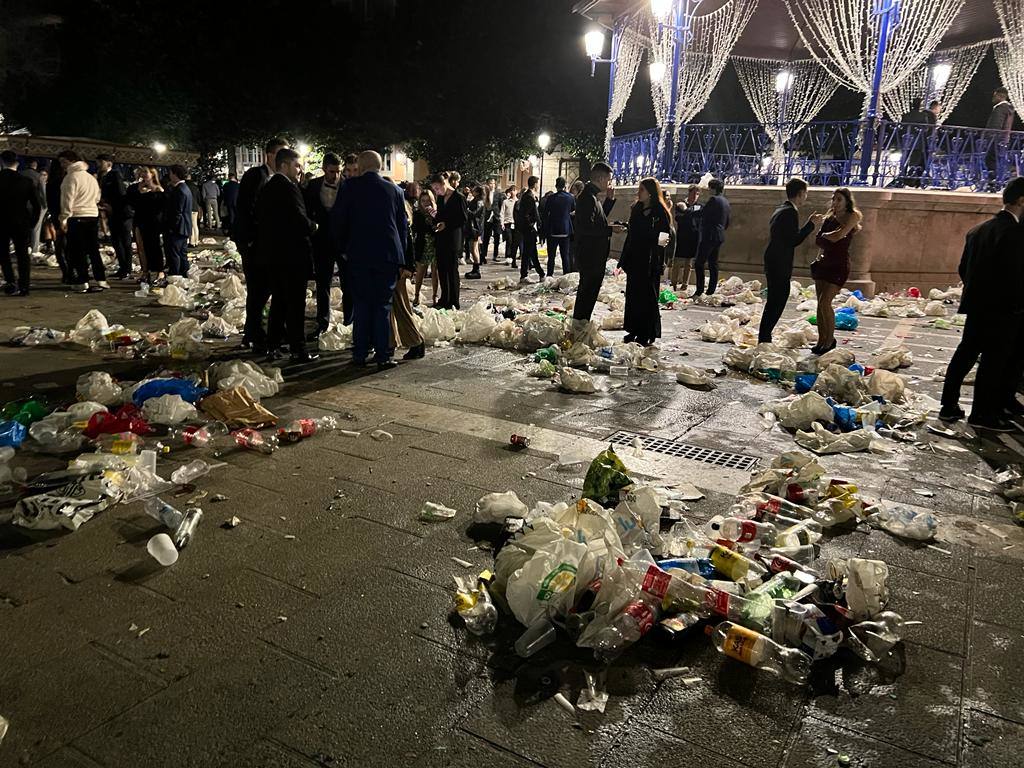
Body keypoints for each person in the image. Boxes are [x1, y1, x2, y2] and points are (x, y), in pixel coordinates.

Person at [940, 176, 1024, 430]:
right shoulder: (1014, 234)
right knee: (993, 361)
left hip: (977, 304)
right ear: (1021, 201)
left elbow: (964, 268)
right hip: (1003, 309)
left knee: (965, 353)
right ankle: (983, 414)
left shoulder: (979, 230)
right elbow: (1016, 275)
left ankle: (948, 405)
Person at [331, 150, 408, 369]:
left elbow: (338, 221)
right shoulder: (394, 190)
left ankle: (360, 353)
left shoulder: (349, 188)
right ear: (379, 166)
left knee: (362, 304)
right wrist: (401, 258)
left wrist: (343, 250)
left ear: (361, 167)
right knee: (383, 305)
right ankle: (383, 354)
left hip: (359, 255)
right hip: (387, 255)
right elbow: (402, 227)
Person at [257, 147, 318, 363]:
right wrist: (314, 227)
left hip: (273, 255)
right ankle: (298, 349)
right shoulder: (288, 188)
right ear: (284, 165)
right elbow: (299, 220)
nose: (300, 169)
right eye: (297, 165)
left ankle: (272, 346)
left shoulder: (267, 187)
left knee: (279, 302)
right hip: (292, 255)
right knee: (295, 304)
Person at [235, 138, 287, 353]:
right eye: (279, 154)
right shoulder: (257, 175)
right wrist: (249, 240)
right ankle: (255, 334)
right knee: (259, 289)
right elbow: (248, 208)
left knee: (264, 290)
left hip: (266, 244)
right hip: (255, 244)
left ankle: (254, 331)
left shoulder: (277, 178)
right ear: (269, 155)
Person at [757, 178, 824, 344]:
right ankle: (765, 336)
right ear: (800, 193)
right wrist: (811, 225)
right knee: (777, 300)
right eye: (805, 193)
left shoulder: (782, 209)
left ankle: (765, 335)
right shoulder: (789, 212)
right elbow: (793, 240)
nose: (806, 197)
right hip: (779, 261)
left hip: (774, 259)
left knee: (775, 299)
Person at [619, 177, 672, 346]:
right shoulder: (637, 209)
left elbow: (664, 238)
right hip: (635, 259)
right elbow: (631, 235)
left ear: (650, 192)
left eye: (641, 190)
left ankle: (646, 331)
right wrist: (624, 259)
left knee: (648, 297)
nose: (638, 193)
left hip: (650, 260)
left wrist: (660, 257)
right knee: (633, 296)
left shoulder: (660, 212)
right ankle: (633, 329)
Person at [810, 188, 863, 354]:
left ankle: (830, 340)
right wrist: (825, 237)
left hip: (838, 265)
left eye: (839, 199)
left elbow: (839, 235)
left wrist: (825, 236)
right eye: (834, 199)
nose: (835, 203)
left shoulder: (853, 215)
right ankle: (821, 340)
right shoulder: (829, 216)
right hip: (824, 263)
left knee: (826, 302)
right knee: (820, 304)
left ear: (847, 201)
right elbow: (818, 239)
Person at [571, 162, 623, 328]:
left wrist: (609, 200)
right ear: (600, 178)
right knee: (587, 292)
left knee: (590, 291)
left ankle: (581, 323)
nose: (609, 183)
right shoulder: (587, 197)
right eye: (608, 180)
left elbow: (597, 220)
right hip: (590, 255)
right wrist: (610, 230)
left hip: (593, 254)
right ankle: (579, 325)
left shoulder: (592, 196)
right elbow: (587, 228)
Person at [304, 152, 344, 336]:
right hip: (321, 242)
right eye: (331, 171)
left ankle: (350, 320)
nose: (335, 176)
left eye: (338, 171)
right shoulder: (312, 186)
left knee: (348, 284)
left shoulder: (348, 186)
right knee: (322, 284)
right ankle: (323, 322)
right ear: (323, 169)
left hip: (343, 242)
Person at [58, 149, 107, 293]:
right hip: (92, 215)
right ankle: (101, 279)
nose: (62, 165)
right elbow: (97, 197)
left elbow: (67, 200)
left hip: (77, 216)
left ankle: (83, 281)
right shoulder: (91, 177)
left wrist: (63, 218)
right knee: (93, 249)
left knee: (77, 250)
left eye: (63, 162)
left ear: (72, 161)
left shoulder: (70, 177)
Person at [0, 150, 41, 295]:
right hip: (21, 221)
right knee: (23, 255)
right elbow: (37, 205)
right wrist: (32, 222)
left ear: (2, 162)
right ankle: (24, 285)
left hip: (1, 222)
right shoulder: (26, 181)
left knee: (3, 254)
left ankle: (10, 281)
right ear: (17, 163)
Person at [393, 190, 425, 360]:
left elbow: (407, 242)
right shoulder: (398, 212)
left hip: (398, 267)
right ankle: (393, 343)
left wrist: (408, 266)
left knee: (401, 306)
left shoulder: (399, 214)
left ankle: (416, 342)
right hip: (397, 265)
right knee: (396, 306)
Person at [430, 171, 467, 310]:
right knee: (442, 269)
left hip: (453, 237)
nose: (437, 191)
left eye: (438, 188)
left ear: (444, 183)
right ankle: (444, 298)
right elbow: (440, 215)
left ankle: (454, 300)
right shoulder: (440, 198)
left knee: (452, 270)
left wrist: (447, 223)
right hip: (441, 237)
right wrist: (436, 218)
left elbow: (463, 218)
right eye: (434, 189)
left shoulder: (458, 197)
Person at [96, 153, 135, 279]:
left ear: (108, 163)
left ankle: (127, 269)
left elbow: (121, 194)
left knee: (125, 242)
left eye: (100, 162)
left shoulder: (115, 175)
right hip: (112, 213)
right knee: (116, 241)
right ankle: (122, 267)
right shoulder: (103, 176)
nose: (98, 165)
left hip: (122, 214)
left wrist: (111, 205)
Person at [693, 178, 730, 297]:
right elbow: (727, 221)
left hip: (709, 235)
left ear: (713, 189)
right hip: (719, 235)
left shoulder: (714, 199)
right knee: (713, 263)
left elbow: (703, 213)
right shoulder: (725, 201)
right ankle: (711, 289)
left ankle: (699, 290)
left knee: (699, 262)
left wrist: (687, 212)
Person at [131, 167, 165, 284]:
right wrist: (139, 191)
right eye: (142, 172)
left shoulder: (158, 190)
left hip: (152, 222)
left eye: (146, 172)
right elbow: (133, 204)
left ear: (153, 174)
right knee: (141, 248)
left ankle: (160, 272)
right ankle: (145, 271)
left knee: (154, 247)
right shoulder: (139, 189)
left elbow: (159, 207)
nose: (143, 175)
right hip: (139, 221)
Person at [162, 164, 193, 277]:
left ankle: (175, 275)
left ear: (175, 174)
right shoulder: (185, 188)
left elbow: (177, 212)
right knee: (182, 253)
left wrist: (171, 227)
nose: (169, 175)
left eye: (171, 173)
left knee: (174, 253)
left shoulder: (179, 190)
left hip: (178, 227)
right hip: (185, 227)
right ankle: (184, 274)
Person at [670, 185, 702, 292]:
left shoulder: (699, 206)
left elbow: (698, 218)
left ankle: (685, 284)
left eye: (697, 194)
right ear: (688, 193)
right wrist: (689, 212)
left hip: (694, 236)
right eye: (693, 193)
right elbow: (679, 218)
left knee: (689, 262)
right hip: (682, 235)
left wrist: (687, 211)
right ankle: (674, 283)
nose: (694, 196)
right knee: (677, 261)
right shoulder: (680, 204)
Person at [45, 157, 70, 282]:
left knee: (60, 245)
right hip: (70, 215)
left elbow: (50, 202)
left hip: (57, 215)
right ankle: (71, 271)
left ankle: (66, 272)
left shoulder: (52, 183)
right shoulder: (67, 180)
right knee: (70, 245)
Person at [545, 177, 576, 275]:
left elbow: (546, 213)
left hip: (553, 230)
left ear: (556, 185)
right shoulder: (570, 197)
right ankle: (566, 275)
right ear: (565, 186)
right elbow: (573, 210)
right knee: (565, 256)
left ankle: (549, 275)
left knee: (551, 256)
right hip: (565, 230)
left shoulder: (550, 198)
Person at [985, 88, 1015, 192]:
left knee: (990, 160)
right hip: (1004, 140)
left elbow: (996, 125)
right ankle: (996, 183)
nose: (993, 98)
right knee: (997, 161)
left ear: (999, 95)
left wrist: (988, 137)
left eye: (995, 95)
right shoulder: (1009, 109)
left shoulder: (1000, 108)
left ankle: (992, 184)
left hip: (996, 140)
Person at [413, 188, 439, 306]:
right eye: (423, 201)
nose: (425, 203)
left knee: (435, 271)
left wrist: (433, 216)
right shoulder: (418, 213)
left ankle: (435, 296)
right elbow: (417, 229)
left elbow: (438, 227)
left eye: (428, 201)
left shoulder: (436, 213)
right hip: (423, 244)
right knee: (421, 272)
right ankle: (417, 295)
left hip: (434, 244)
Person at [517, 176, 545, 283]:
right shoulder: (528, 197)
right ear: (534, 184)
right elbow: (526, 214)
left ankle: (538, 273)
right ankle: (532, 274)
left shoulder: (529, 196)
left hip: (529, 229)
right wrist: (531, 226)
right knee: (529, 252)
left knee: (531, 252)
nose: (538, 185)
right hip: (529, 229)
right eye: (538, 183)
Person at [20, 159, 46, 255]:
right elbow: (43, 193)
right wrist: (45, 206)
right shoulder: (40, 176)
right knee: (36, 227)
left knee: (22, 227)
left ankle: (23, 248)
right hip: (36, 204)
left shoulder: (20, 174)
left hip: (22, 204)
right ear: (35, 165)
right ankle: (34, 249)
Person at [464, 185, 485, 279]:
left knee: (474, 249)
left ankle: (477, 270)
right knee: (474, 248)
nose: (472, 192)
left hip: (475, 228)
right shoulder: (476, 200)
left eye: (474, 191)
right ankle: (475, 269)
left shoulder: (479, 202)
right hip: (473, 227)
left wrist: (467, 211)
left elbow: (475, 214)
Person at [484, 180, 504, 262]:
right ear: (487, 184)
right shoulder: (485, 193)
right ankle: (483, 255)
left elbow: (501, 205)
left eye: (493, 183)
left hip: (496, 217)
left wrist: (499, 216)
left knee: (497, 237)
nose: (492, 185)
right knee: (486, 237)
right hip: (487, 217)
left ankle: (495, 255)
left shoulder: (499, 194)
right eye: (490, 183)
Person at [501, 186, 518, 267]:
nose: (512, 192)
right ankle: (508, 256)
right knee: (509, 240)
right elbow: (502, 212)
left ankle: (513, 257)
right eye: (511, 190)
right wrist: (502, 223)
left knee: (515, 241)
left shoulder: (518, 202)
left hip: (516, 224)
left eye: (514, 190)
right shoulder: (505, 202)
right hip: (507, 223)